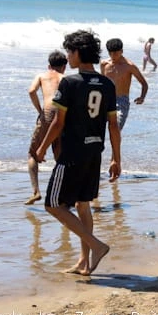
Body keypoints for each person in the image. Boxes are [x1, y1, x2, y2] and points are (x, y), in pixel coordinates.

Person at [34, 29, 121, 276]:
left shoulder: (70, 83)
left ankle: (96, 245)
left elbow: (58, 123)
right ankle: (84, 261)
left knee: (52, 203)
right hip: (96, 151)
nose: (68, 57)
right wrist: (116, 158)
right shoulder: (107, 84)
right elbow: (113, 125)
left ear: (77, 52)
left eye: (69, 52)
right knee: (83, 205)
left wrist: (41, 148)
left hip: (72, 152)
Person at [25, 50, 67, 205]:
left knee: (32, 154)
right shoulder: (66, 78)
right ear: (64, 66)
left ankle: (36, 191)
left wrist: (39, 110)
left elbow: (31, 91)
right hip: (63, 114)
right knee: (60, 156)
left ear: (49, 66)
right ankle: (63, 194)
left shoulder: (41, 76)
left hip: (48, 113)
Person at [100, 38, 149, 131]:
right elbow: (102, 83)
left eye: (116, 53)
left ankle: (115, 146)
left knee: (116, 129)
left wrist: (142, 97)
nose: (113, 56)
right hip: (105, 100)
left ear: (121, 51)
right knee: (96, 128)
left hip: (121, 101)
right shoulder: (104, 64)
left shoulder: (129, 66)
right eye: (110, 53)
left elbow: (144, 83)